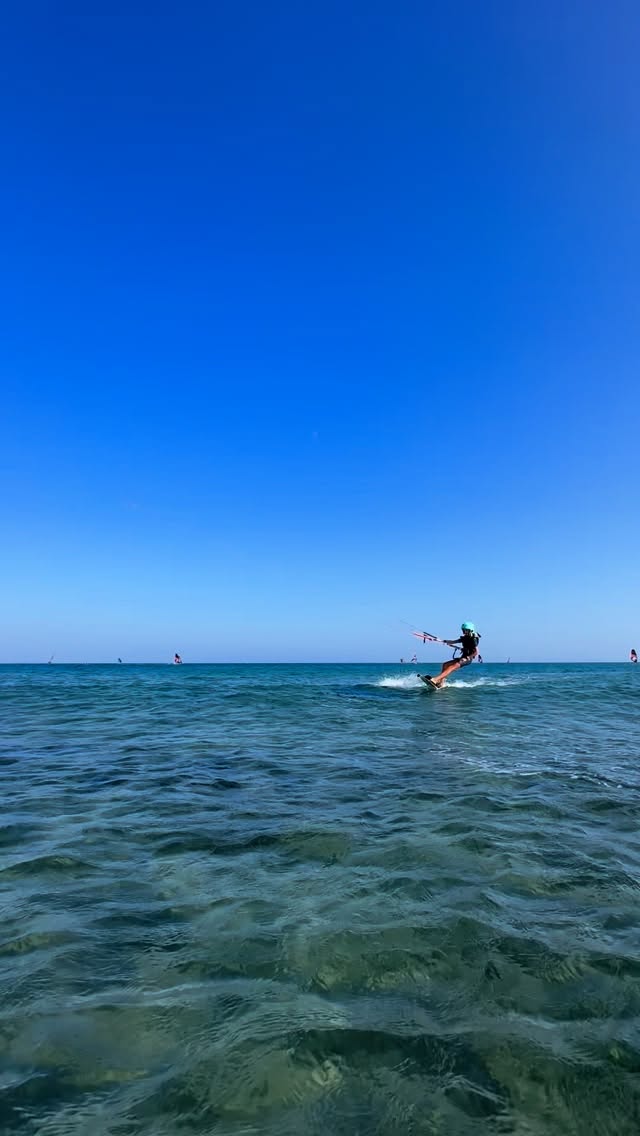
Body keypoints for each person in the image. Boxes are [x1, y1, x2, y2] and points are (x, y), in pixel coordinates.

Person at [420, 622, 481, 689]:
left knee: (452, 667)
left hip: (467, 659)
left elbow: (476, 652)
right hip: (462, 657)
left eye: (465, 630)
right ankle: (441, 683)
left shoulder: (473, 639)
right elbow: (453, 641)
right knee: (445, 665)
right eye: (463, 630)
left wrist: (468, 657)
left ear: (470, 630)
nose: (464, 631)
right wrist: (444, 641)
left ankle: (435, 679)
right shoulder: (465, 638)